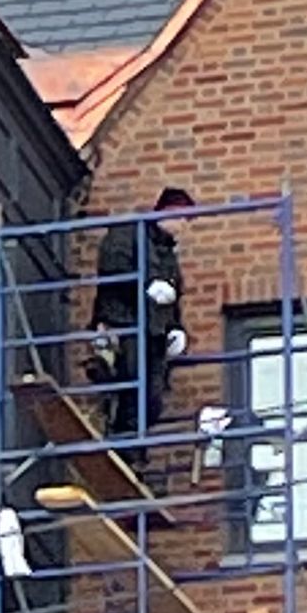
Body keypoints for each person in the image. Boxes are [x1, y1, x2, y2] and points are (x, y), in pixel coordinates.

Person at [85, 186, 191, 434]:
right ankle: (125, 445)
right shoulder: (128, 234)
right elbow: (113, 268)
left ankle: (132, 446)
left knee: (151, 400)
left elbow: (171, 298)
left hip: (153, 334)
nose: (184, 225)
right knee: (132, 389)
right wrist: (144, 286)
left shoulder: (167, 254)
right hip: (124, 323)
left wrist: (175, 328)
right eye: (183, 218)